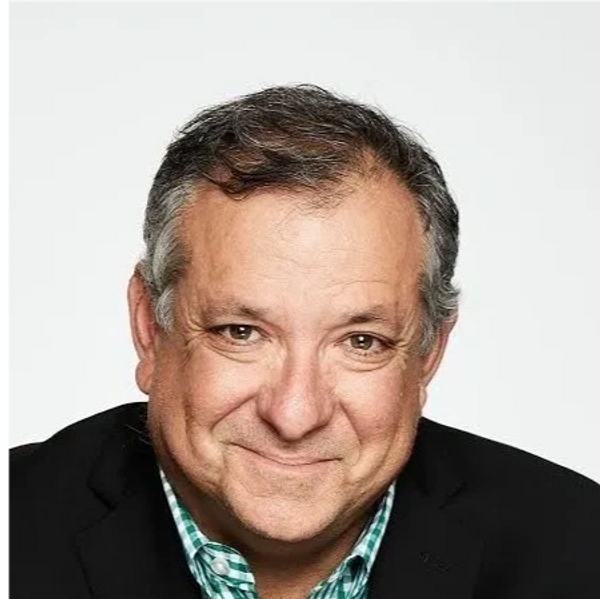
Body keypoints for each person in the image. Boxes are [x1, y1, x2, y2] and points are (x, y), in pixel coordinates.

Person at [7, 85, 599, 599]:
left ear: (428, 353)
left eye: (361, 342)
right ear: (150, 328)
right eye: (241, 333)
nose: (295, 415)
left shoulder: (579, 553)